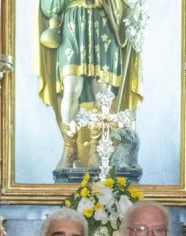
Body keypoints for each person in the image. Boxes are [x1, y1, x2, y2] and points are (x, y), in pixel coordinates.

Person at [37, 0, 141, 172]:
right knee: (71, 88)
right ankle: (69, 149)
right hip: (73, 26)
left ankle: (96, 149)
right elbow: (48, 7)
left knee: (103, 94)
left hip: (104, 23)